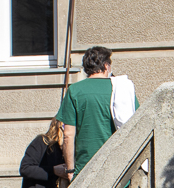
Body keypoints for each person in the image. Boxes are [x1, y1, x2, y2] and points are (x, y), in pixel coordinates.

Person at [57, 46, 138, 177]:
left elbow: (68, 135)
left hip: (85, 167)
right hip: (117, 165)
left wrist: (70, 170)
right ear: (106, 66)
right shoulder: (121, 89)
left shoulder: (75, 90)